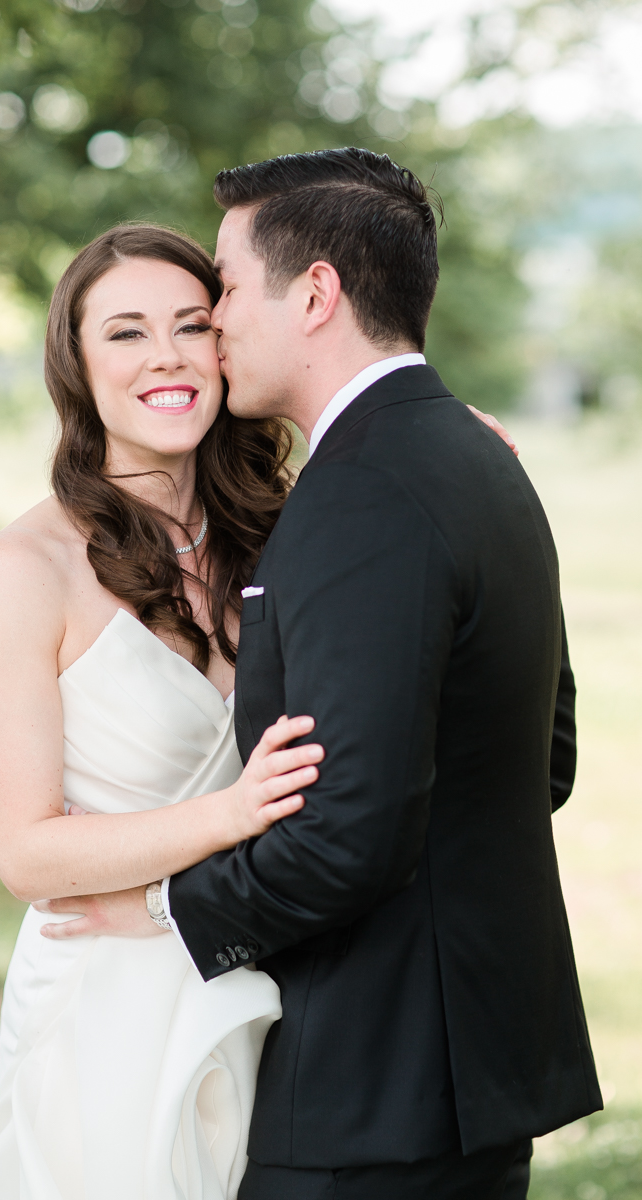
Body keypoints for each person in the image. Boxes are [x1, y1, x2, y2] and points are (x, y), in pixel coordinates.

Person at [51, 149, 601, 1200]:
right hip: (459, 1067)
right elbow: (546, 759)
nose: (212, 319)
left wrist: (170, 908)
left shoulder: (363, 493)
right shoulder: (472, 455)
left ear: (313, 293)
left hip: (372, 1086)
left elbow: (349, 832)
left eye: (222, 284)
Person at [0, 225, 328, 1200]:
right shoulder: (22, 572)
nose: (164, 355)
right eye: (124, 333)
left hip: (270, 972)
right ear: (77, 365)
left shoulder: (284, 531)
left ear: (225, 345)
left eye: (190, 324)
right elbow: (26, 856)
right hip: (108, 999)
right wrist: (231, 814)